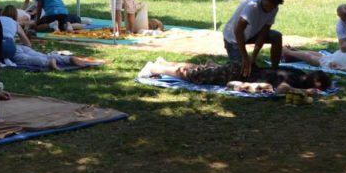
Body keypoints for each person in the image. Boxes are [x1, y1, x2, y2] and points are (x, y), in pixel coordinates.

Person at [139, 57, 331, 95]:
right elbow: (282, 90)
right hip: (242, 74)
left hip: (246, 68)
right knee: (198, 75)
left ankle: (164, 63)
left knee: (205, 68)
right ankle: (157, 70)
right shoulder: (296, 81)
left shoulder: (299, 72)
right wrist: (305, 92)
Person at [0, 6, 102, 70]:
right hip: (14, 46)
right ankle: (67, 59)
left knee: (26, 59)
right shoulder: (14, 23)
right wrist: (22, 45)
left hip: (4, 47)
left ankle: (48, 63)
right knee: (40, 54)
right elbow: (28, 44)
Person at [223, 0, 285, 76]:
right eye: (267, 6)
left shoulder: (274, 9)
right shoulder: (252, 7)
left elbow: (264, 32)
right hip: (233, 38)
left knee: (276, 36)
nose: (269, 10)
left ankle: (275, 69)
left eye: (272, 7)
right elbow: (238, 31)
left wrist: (253, 57)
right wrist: (245, 57)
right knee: (241, 71)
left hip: (251, 34)